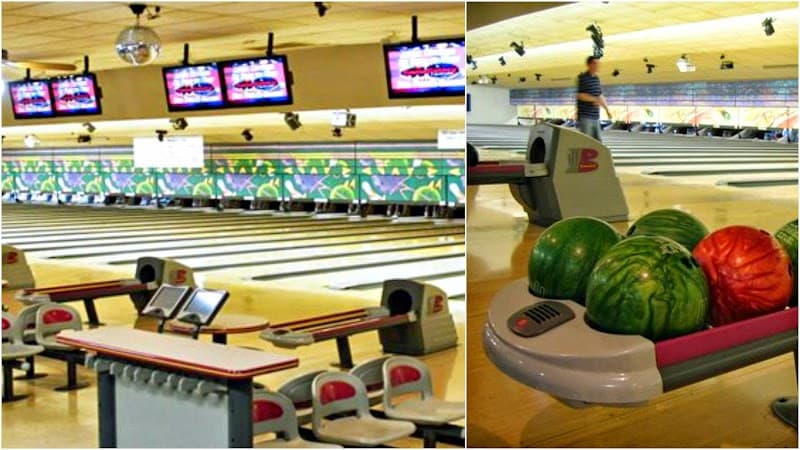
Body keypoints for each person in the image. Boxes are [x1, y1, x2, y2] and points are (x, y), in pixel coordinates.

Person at [576, 56, 612, 141]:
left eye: (598, 64)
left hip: (595, 116)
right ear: (589, 65)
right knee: (587, 142)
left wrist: (607, 110)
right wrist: (595, 100)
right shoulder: (583, 78)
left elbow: (600, 95)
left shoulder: (596, 78)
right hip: (585, 117)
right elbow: (580, 95)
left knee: (598, 142)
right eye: (595, 63)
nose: (598, 66)